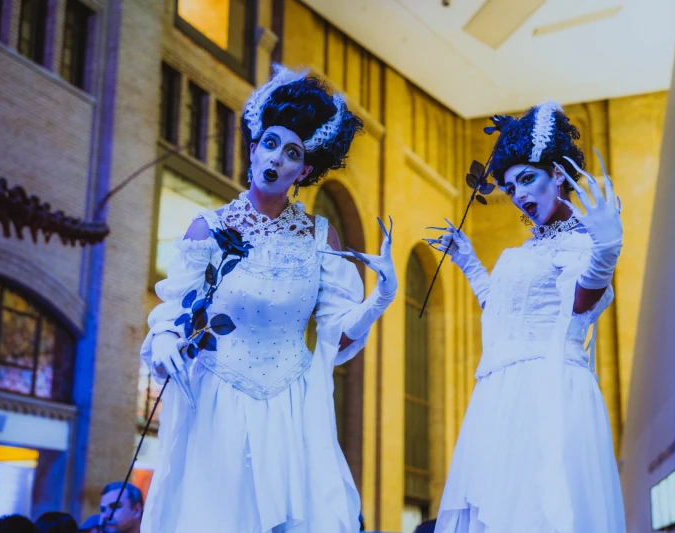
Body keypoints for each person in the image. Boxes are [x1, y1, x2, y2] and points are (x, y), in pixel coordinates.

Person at [140, 64, 397, 533]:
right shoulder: (209, 229)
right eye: (271, 143)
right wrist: (163, 340)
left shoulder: (322, 237)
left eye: (293, 152)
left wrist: (379, 299)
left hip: (292, 406)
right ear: (254, 146)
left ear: (307, 168)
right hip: (218, 399)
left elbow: (337, 339)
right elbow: (174, 313)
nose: (277, 158)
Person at [427, 101, 625, 533]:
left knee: (535, 511)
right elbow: (504, 312)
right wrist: (469, 263)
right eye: (511, 186)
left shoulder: (578, 238)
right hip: (502, 392)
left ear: (558, 173)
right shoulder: (531, 247)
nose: (518, 195)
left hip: (546, 389)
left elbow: (579, 303)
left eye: (527, 179)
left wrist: (606, 252)